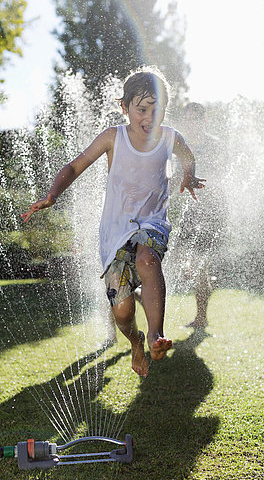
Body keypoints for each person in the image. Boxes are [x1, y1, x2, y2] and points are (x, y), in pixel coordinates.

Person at [22, 68, 205, 378]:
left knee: (148, 260)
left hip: (152, 225)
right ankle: (134, 341)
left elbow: (187, 156)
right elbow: (74, 166)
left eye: (156, 110)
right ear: (125, 107)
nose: (149, 117)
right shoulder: (113, 137)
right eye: (142, 109)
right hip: (114, 234)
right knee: (122, 311)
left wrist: (188, 175)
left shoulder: (170, 137)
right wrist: (53, 195)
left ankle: (154, 336)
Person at [172, 102, 228, 330]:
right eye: (187, 118)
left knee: (198, 267)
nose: (190, 123)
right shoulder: (179, 146)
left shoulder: (214, 145)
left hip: (211, 211)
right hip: (189, 211)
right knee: (180, 259)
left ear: (203, 121)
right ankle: (204, 285)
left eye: (195, 118)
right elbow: (176, 178)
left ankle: (201, 317)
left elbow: (222, 177)